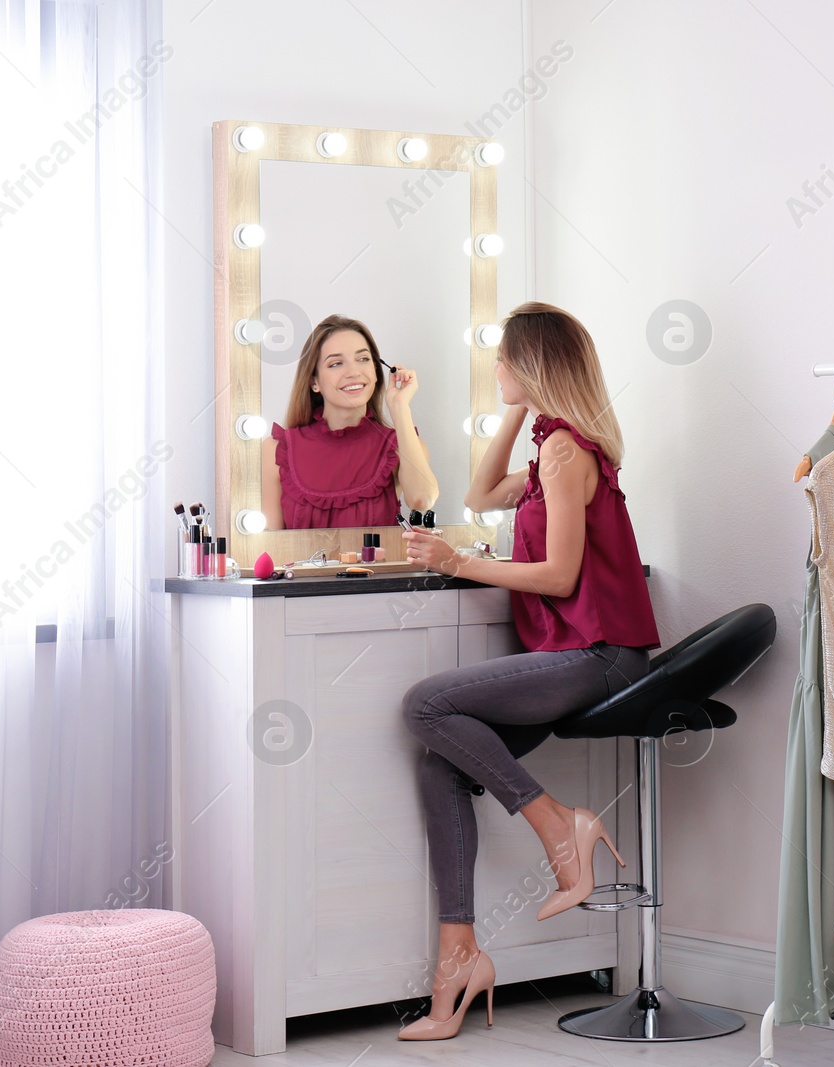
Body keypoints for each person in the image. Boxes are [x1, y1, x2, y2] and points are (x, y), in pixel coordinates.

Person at [396, 302, 659, 1040]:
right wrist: (516, 408)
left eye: (506, 360)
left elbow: (559, 573)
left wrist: (459, 561)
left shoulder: (567, 452)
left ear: (534, 365)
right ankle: (458, 963)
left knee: (423, 707)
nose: (496, 369)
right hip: (569, 655)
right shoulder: (552, 442)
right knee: (438, 765)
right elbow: (479, 494)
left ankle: (560, 827)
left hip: (600, 657)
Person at [262, 314, 438, 529]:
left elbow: (422, 500)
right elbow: (270, 546)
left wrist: (399, 407)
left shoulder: (402, 444)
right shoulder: (277, 450)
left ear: (375, 370)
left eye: (363, 359)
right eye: (336, 363)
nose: (353, 372)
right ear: (314, 381)